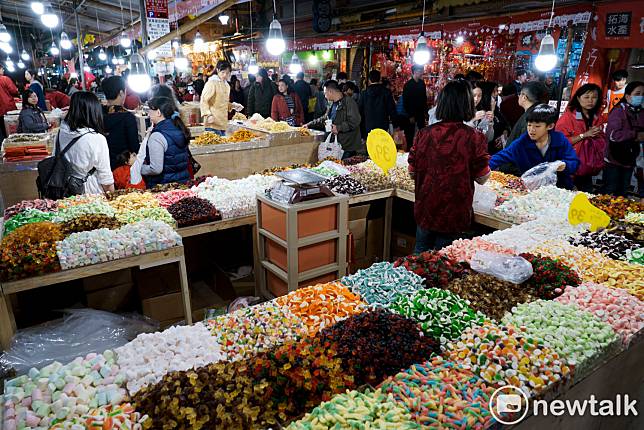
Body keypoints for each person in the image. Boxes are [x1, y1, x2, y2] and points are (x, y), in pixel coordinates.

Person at [408, 80, 491, 252]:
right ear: (467, 105)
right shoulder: (474, 137)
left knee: (418, 261)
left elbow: (412, 172)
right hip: (455, 214)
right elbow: (482, 178)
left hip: (426, 209)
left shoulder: (424, 134)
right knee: (444, 266)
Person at [490, 104, 580, 189]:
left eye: (537, 126)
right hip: (532, 191)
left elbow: (574, 162)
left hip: (560, 189)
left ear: (550, 126)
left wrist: (563, 165)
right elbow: (498, 158)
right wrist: (481, 170)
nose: (531, 130)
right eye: (529, 125)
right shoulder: (521, 144)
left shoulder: (560, 140)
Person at [56, 92, 114, 194]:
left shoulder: (61, 132)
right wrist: (113, 198)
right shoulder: (97, 139)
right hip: (89, 191)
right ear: (94, 111)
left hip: (63, 188)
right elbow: (106, 178)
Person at [555, 83, 606, 192]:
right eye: (586, 97)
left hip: (589, 168)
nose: (590, 101)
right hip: (571, 168)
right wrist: (584, 135)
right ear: (578, 98)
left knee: (585, 198)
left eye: (594, 97)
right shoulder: (568, 118)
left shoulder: (598, 117)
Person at [603, 81, 644, 197]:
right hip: (614, 159)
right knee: (610, 191)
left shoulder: (641, 113)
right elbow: (613, 135)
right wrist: (635, 135)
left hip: (631, 160)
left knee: (623, 192)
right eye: (637, 93)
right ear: (627, 96)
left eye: (643, 94)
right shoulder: (618, 112)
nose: (641, 97)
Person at [304, 80, 363, 158]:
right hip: (336, 144)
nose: (324, 96)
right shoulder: (331, 103)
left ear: (330, 91)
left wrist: (338, 128)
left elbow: (355, 121)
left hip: (347, 145)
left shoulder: (349, 102)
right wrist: (309, 124)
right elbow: (325, 118)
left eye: (325, 93)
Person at [141, 96, 191, 187]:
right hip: (183, 184)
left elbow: (156, 169)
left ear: (158, 112)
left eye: (150, 111)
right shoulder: (179, 127)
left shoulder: (157, 136)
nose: (148, 114)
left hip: (164, 187)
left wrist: (140, 168)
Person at [101, 76, 140, 169]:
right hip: (122, 167)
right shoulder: (127, 117)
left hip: (103, 165)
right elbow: (134, 147)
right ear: (121, 93)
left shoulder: (98, 114)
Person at [200, 60, 235, 135]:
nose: (225, 75)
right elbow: (204, 100)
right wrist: (208, 115)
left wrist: (233, 105)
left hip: (222, 124)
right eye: (223, 72)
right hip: (212, 124)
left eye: (227, 73)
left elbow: (222, 102)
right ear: (218, 70)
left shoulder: (226, 85)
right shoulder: (212, 83)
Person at [359, 69, 396, 138]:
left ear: (369, 80)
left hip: (368, 125)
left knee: (370, 146)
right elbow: (392, 109)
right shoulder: (386, 92)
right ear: (380, 79)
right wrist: (395, 124)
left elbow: (360, 111)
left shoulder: (364, 93)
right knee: (382, 146)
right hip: (383, 125)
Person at [402, 65, 428, 151]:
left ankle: (421, 150)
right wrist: (410, 115)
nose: (421, 72)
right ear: (414, 72)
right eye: (419, 70)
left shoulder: (422, 83)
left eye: (421, 70)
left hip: (420, 113)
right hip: (411, 114)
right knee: (410, 134)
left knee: (422, 133)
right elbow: (405, 102)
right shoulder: (408, 85)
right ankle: (409, 151)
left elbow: (424, 99)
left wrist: (426, 112)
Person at [0, 64, 19, 142]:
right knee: (13, 133)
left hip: (0, 112)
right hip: (9, 110)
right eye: (2, 69)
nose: (3, 70)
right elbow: (14, 91)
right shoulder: (5, 79)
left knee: (3, 133)